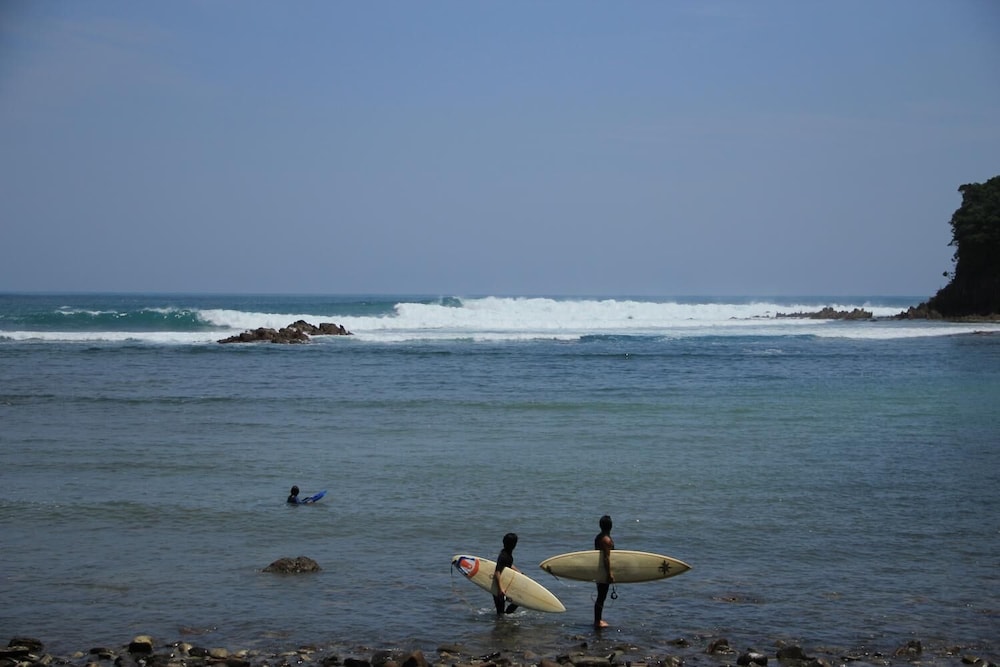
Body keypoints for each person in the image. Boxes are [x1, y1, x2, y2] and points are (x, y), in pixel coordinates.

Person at [594, 514, 615, 628]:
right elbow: (606, 558)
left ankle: (598, 619)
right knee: (601, 596)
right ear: (610, 526)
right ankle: (598, 621)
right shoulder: (606, 540)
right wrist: (609, 573)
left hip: (599, 570)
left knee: (601, 596)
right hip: (604, 571)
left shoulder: (598, 537)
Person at [493, 532, 520, 616]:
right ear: (514, 544)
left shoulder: (507, 553)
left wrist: (519, 572)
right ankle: (503, 620)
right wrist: (500, 589)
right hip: (498, 585)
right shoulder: (504, 556)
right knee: (500, 612)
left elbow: (508, 565)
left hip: (504, 583)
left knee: (517, 601)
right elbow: (497, 572)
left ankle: (506, 616)